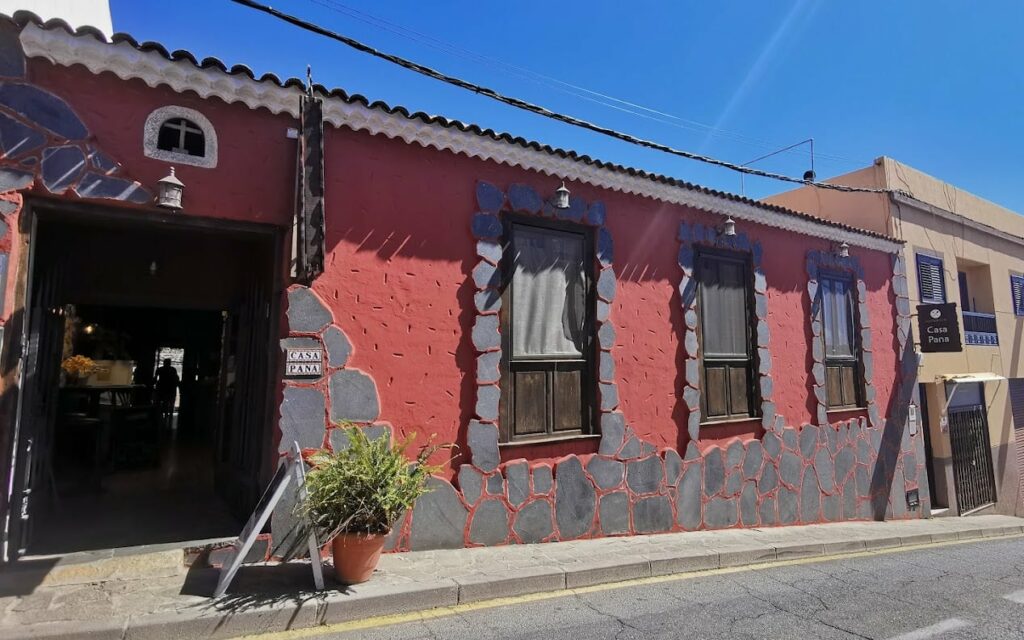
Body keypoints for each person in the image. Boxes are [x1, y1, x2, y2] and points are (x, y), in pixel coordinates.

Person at [155, 358, 179, 427]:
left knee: (163, 403)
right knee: (171, 403)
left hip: (162, 389)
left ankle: (161, 415)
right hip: (171, 389)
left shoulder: (160, 369)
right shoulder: (173, 370)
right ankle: (169, 416)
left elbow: (155, 378)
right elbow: (176, 379)